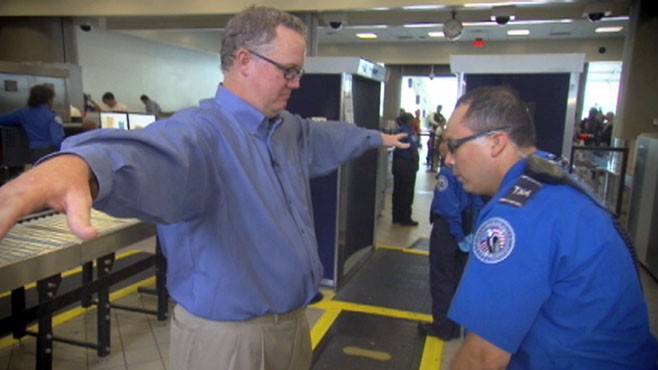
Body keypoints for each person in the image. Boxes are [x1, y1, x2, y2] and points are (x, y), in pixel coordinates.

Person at [0, 6, 409, 370]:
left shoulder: (285, 129)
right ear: (244, 61)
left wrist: (373, 137)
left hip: (292, 328)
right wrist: (76, 166)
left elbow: (326, 138)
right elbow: (146, 154)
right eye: (288, 70)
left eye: (297, 71)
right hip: (230, 344)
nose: (296, 82)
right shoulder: (200, 135)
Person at [442, 86, 658, 369]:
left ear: (496, 142)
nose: (448, 159)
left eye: (454, 145)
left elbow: (482, 358)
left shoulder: (516, 216)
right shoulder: (552, 183)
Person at [418, 136, 482, 341]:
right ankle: (454, 326)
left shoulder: (448, 172)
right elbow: (478, 203)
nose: (441, 144)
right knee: (456, 279)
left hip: (447, 231)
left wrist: (457, 233)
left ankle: (442, 327)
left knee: (442, 278)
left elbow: (448, 208)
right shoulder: (471, 171)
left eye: (446, 141)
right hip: (466, 226)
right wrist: (471, 232)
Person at [0, 84, 65, 163]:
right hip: (51, 152)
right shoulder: (53, 117)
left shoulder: (23, 114)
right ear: (49, 100)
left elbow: (2, 119)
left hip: (35, 153)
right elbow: (57, 140)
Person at [391, 111, 420, 226]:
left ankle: (396, 217)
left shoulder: (397, 131)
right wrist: (416, 164)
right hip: (407, 165)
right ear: (409, 120)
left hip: (397, 163)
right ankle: (405, 218)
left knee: (397, 191)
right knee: (407, 192)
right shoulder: (410, 132)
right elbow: (413, 149)